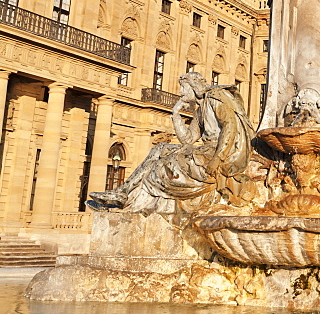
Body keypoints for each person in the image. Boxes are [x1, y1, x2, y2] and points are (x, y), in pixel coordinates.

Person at [88, 72, 255, 213]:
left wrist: (218, 158)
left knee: (161, 166)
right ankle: (122, 193)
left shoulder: (214, 97)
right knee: (160, 148)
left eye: (184, 87)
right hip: (206, 150)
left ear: (194, 87)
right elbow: (188, 139)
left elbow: (230, 126)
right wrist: (175, 114)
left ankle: (125, 197)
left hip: (220, 152)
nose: (181, 92)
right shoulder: (200, 109)